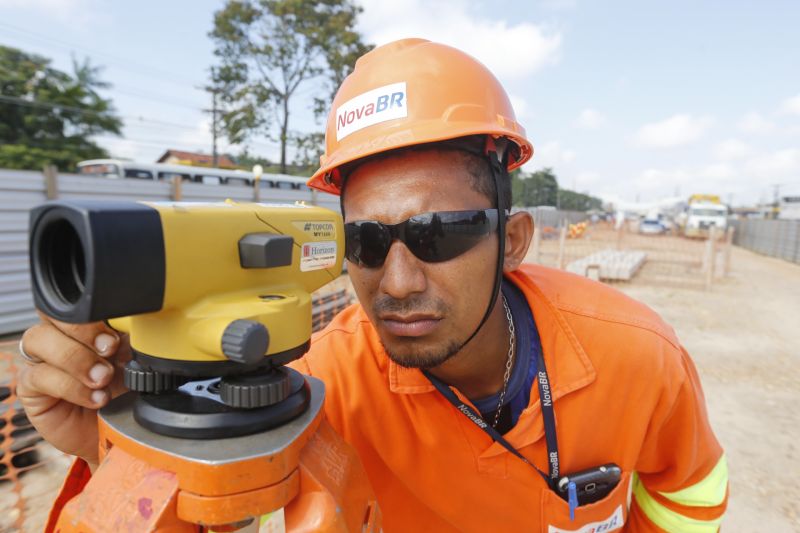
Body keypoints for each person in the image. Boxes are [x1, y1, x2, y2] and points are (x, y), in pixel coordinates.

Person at [18, 38, 727, 532]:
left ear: (512, 240)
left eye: (437, 235)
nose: (398, 281)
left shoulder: (636, 357)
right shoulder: (319, 391)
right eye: (365, 241)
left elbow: (690, 495)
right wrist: (126, 446)